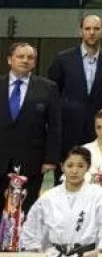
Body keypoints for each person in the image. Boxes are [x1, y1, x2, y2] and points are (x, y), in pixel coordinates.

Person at [20, 146, 102, 257]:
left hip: (86, 256)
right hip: (56, 256)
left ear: (88, 167)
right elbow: (31, 228)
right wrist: (37, 253)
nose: (74, 171)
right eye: (70, 165)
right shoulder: (49, 196)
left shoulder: (98, 194)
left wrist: (100, 251)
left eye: (80, 166)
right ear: (62, 166)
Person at [47, 14, 102, 171]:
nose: (91, 32)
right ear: (80, 31)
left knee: (99, 175)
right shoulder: (63, 59)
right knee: (66, 178)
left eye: (96, 28)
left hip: (99, 131)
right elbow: (54, 94)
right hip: (68, 131)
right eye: (87, 28)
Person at [0, 42, 61, 212]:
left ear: (34, 62)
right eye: (20, 56)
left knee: (26, 210)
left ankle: (22, 239)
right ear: (9, 60)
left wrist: (51, 158)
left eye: (30, 57)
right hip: (1, 158)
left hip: (31, 160)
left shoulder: (48, 88)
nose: (25, 60)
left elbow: (55, 125)